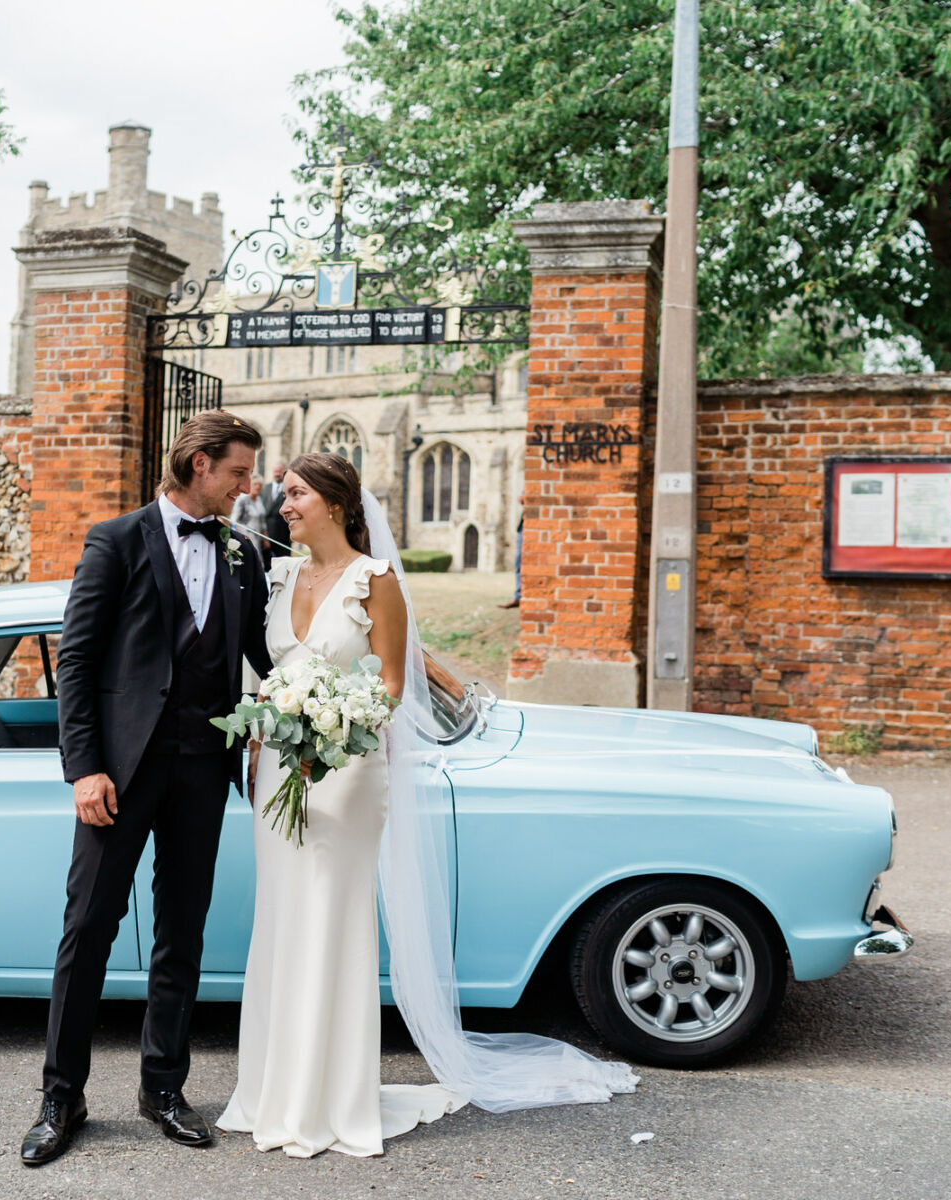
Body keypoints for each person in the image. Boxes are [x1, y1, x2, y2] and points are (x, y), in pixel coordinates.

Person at [218, 452, 637, 1159]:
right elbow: (271, 673)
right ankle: (273, 1091)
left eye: (294, 495)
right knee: (282, 922)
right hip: (281, 770)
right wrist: (273, 718)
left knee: (327, 921)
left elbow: (389, 684)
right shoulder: (280, 573)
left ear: (337, 503)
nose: (281, 505)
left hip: (347, 772)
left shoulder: (375, 582)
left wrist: (336, 727)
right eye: (283, 495)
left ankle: (329, 1100)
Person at [21, 410, 273, 1168]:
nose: (247, 485)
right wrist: (84, 768)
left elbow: (268, 650)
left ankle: (164, 1088)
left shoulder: (244, 554)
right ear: (199, 465)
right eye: (237, 472)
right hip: (118, 774)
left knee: (182, 932)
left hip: (202, 768)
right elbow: (77, 663)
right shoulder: (116, 540)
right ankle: (61, 1097)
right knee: (87, 930)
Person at [230, 477, 269, 563]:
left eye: (260, 485)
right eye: (255, 484)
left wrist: (265, 539)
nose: (258, 487)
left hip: (257, 538)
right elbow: (234, 520)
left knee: (258, 562)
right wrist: (239, 537)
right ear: (250, 485)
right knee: (248, 560)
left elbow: (262, 522)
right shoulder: (242, 500)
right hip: (245, 536)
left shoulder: (259, 500)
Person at [262, 461, 291, 554]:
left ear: (284, 473)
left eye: (280, 472)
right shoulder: (265, 488)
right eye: (275, 472)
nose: (277, 474)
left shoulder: (289, 488)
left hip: (283, 535)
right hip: (266, 536)